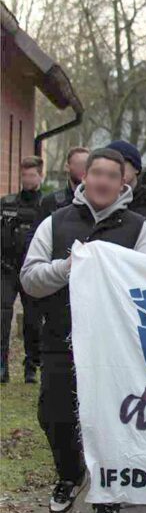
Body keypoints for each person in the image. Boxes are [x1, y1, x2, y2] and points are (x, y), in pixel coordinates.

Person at [21, 147, 146, 513]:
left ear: (123, 183)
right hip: (61, 336)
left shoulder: (139, 228)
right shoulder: (55, 223)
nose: (102, 182)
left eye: (110, 176)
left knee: (112, 418)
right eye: (95, 174)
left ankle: (108, 497)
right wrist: (68, 268)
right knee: (54, 414)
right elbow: (30, 278)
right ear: (85, 178)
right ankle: (70, 475)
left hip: (117, 346)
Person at [1, 156, 46, 383]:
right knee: (2, 317)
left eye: (32, 175)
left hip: (32, 269)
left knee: (32, 321)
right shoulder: (7, 203)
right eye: (24, 175)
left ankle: (31, 367)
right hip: (7, 269)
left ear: (40, 176)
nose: (28, 179)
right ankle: (2, 367)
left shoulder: (46, 205)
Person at [38, 147, 89, 220]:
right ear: (67, 167)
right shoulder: (52, 201)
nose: (83, 168)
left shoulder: (98, 200)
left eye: (86, 165)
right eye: (79, 164)